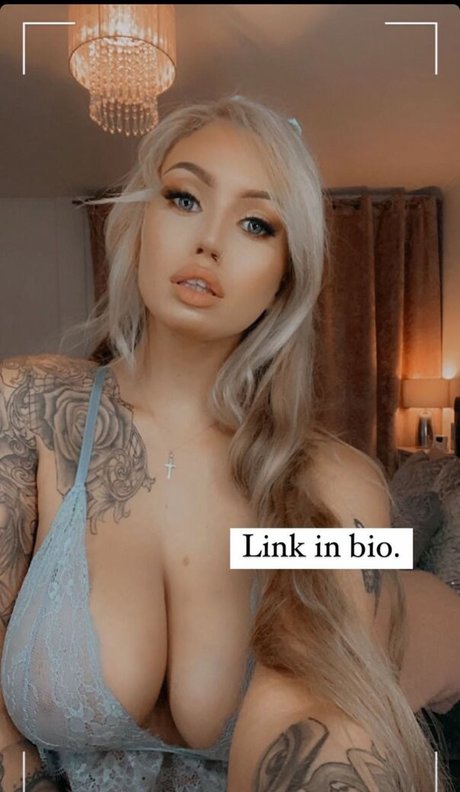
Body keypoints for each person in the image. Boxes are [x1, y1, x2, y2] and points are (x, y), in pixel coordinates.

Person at [0, 94, 459, 792]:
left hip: (398, 597)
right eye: (185, 198)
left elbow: (317, 702)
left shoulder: (336, 479)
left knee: (406, 612)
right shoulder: (28, 406)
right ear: (140, 223)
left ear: (284, 280)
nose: (210, 241)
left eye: (255, 224)